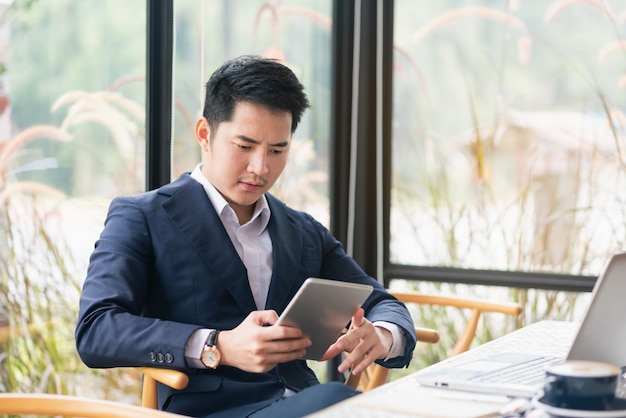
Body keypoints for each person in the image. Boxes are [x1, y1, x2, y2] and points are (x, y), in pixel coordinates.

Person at [75, 55, 416, 418]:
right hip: (210, 409)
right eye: (244, 146)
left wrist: (381, 335)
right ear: (205, 134)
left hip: (301, 404)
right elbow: (96, 328)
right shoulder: (143, 217)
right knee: (341, 402)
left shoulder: (302, 231)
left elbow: (383, 302)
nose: (261, 167)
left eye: (277, 150)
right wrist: (215, 345)